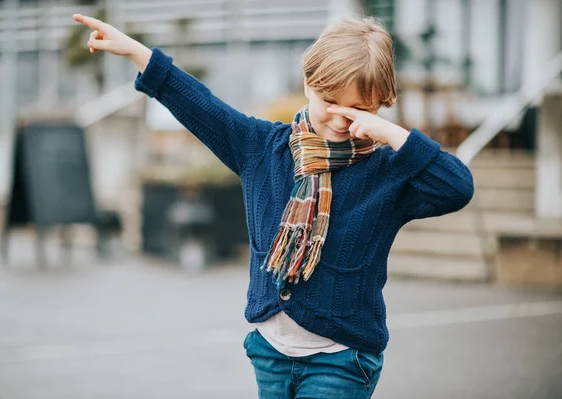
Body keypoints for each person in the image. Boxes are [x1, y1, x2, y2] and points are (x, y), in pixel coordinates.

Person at [73, 13, 474, 399]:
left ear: (379, 104)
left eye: (358, 109)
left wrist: (392, 133)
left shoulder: (388, 171)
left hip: (342, 360)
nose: (339, 119)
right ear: (307, 84)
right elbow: (201, 106)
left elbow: (456, 187)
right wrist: (136, 52)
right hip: (270, 354)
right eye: (329, 101)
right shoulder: (261, 148)